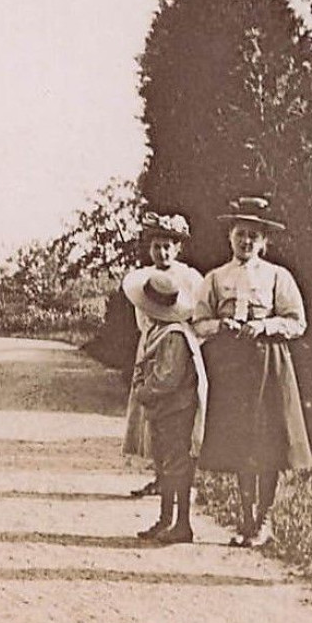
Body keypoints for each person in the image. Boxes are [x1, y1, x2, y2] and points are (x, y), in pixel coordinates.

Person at [193, 196, 312, 548]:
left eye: (253, 236)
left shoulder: (278, 276)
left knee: (268, 439)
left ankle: (265, 518)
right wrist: (221, 325)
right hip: (231, 366)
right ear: (230, 237)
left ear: (264, 242)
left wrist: (266, 326)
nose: (246, 242)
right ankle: (245, 517)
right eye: (240, 234)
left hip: (269, 362)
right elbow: (199, 322)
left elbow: (297, 322)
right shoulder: (216, 278)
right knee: (240, 439)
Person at [122, 213, 204, 497]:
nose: (163, 252)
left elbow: (200, 313)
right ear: (149, 249)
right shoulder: (144, 279)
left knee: (177, 415)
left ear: (178, 248)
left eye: (168, 246)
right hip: (151, 342)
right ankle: (160, 476)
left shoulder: (190, 277)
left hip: (181, 343)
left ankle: (180, 480)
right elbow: (141, 316)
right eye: (157, 246)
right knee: (152, 415)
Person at [125, 266, 208, 544]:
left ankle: (182, 523)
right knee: (164, 464)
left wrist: (143, 392)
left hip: (175, 408)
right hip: (164, 408)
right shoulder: (158, 330)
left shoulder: (173, 334)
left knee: (176, 464)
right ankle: (165, 519)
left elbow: (167, 377)